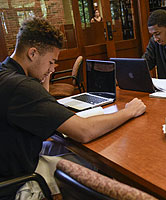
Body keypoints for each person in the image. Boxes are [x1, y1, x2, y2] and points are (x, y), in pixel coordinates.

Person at [0, 17, 146, 199]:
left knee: (71, 151)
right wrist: (129, 111)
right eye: (52, 61)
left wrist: (44, 71)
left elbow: (43, 98)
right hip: (18, 184)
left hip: (13, 166)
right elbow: (84, 131)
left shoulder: (6, 73)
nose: (52, 68)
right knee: (94, 166)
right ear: (33, 53)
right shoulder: (21, 87)